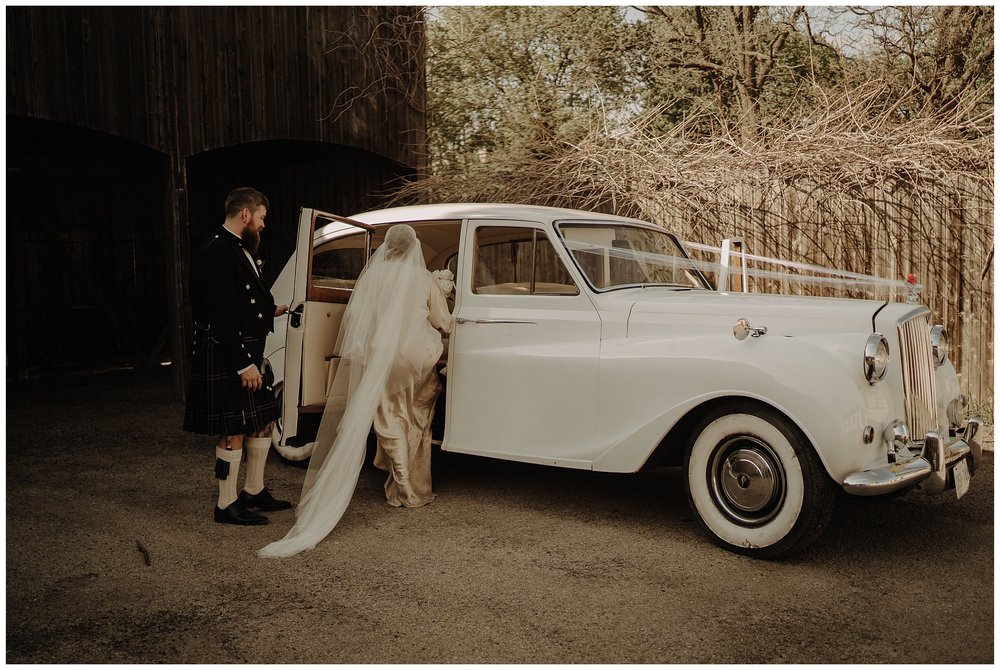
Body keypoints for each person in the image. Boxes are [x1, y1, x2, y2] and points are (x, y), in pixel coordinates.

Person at [258, 223, 453, 557]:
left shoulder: (372, 278)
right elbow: (443, 321)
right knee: (416, 419)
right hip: (417, 358)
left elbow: (358, 320)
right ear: (412, 248)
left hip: (381, 357)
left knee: (388, 417)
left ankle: (401, 486)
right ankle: (412, 489)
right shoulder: (423, 279)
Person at [183, 187, 293, 526]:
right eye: (261, 218)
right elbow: (221, 314)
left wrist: (270, 309)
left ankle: (254, 491)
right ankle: (226, 503)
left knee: (262, 421)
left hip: (248, 346)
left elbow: (242, 298)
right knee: (233, 427)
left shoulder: (239, 248)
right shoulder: (217, 251)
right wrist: (242, 362)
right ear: (245, 214)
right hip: (229, 350)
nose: (262, 225)